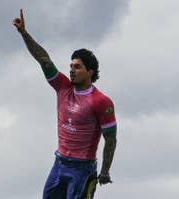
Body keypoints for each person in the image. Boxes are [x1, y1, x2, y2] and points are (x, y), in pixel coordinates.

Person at [13, 9, 117, 199]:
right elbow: (44, 61)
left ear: (90, 71)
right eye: (70, 66)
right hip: (59, 164)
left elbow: (110, 139)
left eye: (77, 67)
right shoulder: (62, 87)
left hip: (83, 169)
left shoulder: (101, 101)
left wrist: (105, 171)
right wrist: (24, 34)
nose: (72, 70)